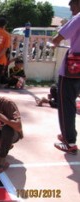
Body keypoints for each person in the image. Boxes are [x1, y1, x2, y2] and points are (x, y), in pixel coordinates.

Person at [52, 0, 80, 154]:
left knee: (66, 105)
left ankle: (69, 141)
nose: (71, 10)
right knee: (71, 101)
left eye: (72, 6)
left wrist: (53, 43)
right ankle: (68, 136)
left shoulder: (79, 17)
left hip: (73, 68)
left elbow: (59, 37)